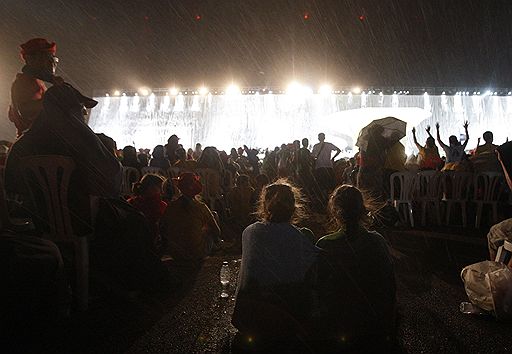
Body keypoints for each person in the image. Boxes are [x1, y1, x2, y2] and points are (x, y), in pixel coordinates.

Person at [232, 180, 319, 347]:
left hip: (247, 317)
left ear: (265, 207)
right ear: (294, 208)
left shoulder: (250, 232)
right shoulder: (302, 238)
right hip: (287, 321)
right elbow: (311, 278)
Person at [315, 185, 396, 350]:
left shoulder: (325, 244)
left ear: (335, 211)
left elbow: (318, 287)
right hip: (372, 322)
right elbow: (389, 286)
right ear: (363, 210)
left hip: (337, 322)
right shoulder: (376, 241)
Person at [160, 173, 221, 261]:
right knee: (213, 217)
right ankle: (216, 246)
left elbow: (162, 227)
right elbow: (217, 231)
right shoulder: (201, 207)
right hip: (196, 253)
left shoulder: (171, 206)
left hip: (175, 253)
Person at [8, 38, 58, 137]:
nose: (51, 63)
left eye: (53, 59)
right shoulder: (25, 83)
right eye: (47, 58)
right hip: (37, 138)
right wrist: (56, 102)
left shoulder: (38, 82)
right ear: (32, 59)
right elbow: (26, 110)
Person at [127, 174, 167, 249]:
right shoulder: (159, 205)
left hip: (132, 241)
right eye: (160, 188)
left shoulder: (131, 202)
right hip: (151, 241)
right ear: (151, 188)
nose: (162, 191)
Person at [312, 133, 341, 197]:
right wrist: (333, 158)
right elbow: (339, 150)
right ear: (324, 137)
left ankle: (322, 197)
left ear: (318, 138)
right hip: (328, 166)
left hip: (319, 167)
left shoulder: (315, 146)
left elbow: (312, 156)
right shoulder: (329, 145)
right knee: (329, 184)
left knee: (320, 184)